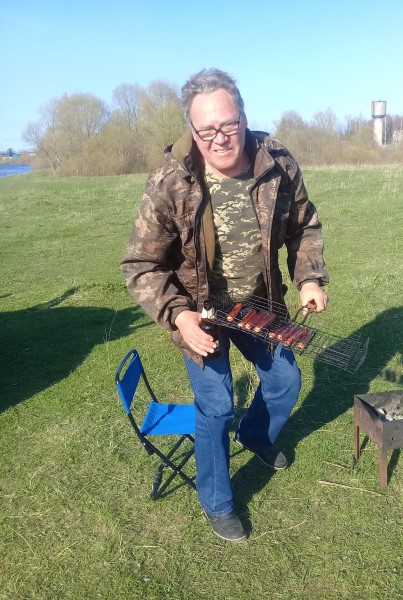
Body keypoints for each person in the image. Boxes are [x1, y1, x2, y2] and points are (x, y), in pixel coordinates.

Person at [120, 68, 328, 542]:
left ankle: (254, 435)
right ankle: (217, 502)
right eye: (206, 129)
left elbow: (304, 227)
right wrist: (178, 315)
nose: (219, 137)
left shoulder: (277, 163)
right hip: (200, 313)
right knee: (215, 405)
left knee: (285, 380)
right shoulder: (171, 180)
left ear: (243, 116)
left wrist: (310, 279)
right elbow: (140, 264)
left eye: (228, 124)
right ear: (192, 130)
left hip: (258, 304)